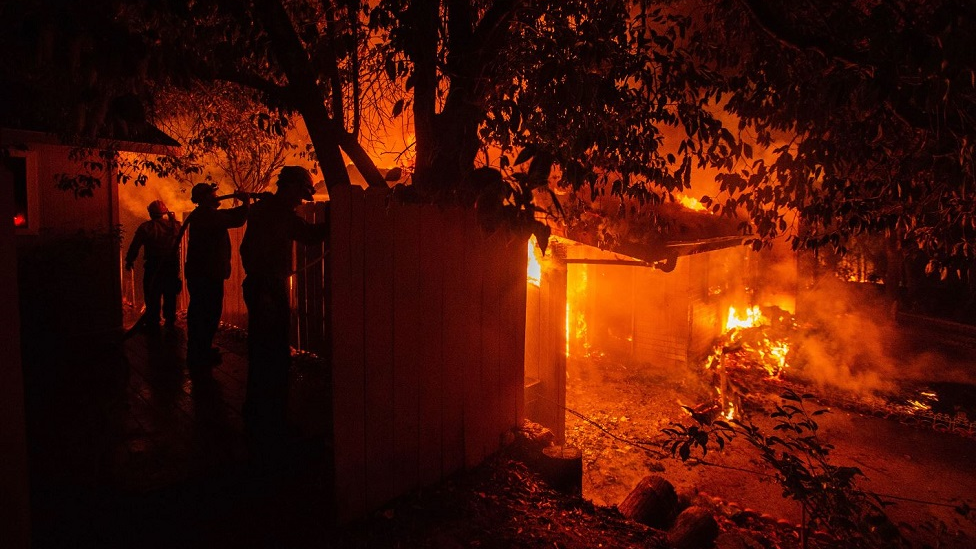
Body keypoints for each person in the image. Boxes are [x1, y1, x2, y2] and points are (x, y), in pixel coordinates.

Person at [239, 166, 328, 443]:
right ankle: (272, 425)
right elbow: (311, 236)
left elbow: (246, 249)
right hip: (267, 288)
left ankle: (257, 413)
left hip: (259, 285)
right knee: (274, 357)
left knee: (262, 353)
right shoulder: (277, 213)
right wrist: (340, 218)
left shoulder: (266, 210)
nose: (301, 200)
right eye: (300, 193)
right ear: (289, 186)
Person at [183, 183, 250, 368]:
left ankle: (200, 349)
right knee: (208, 313)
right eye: (213, 193)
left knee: (200, 312)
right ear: (205, 197)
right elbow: (236, 220)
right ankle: (200, 353)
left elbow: (228, 215)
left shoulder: (204, 214)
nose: (216, 195)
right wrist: (246, 204)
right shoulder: (207, 215)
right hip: (207, 274)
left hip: (202, 273)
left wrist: (243, 205)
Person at [125, 199, 182, 330]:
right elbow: (179, 231)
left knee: (152, 295)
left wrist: (129, 260)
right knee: (170, 294)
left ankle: (153, 322)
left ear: (150, 213)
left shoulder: (146, 227)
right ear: (165, 212)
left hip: (153, 266)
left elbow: (135, 246)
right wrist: (172, 219)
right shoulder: (174, 226)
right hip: (170, 266)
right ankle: (169, 322)